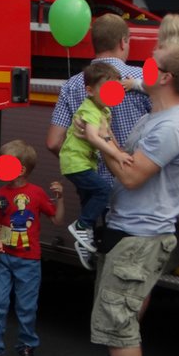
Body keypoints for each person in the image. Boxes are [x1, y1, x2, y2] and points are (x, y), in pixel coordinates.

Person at [79, 42, 179, 356]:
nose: (143, 68)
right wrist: (106, 139)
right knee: (115, 318)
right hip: (129, 230)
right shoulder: (155, 117)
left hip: (141, 237)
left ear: (165, 77)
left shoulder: (171, 128)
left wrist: (97, 141)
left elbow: (130, 176)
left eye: (152, 65)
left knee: (119, 321)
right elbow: (126, 161)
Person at [47, 13, 151, 274]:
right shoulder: (139, 79)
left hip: (91, 185)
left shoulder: (74, 84)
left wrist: (82, 159)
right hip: (133, 189)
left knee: (101, 259)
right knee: (131, 270)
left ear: (93, 43)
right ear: (124, 42)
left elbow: (52, 142)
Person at [0, 139, 65, 356]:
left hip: (28, 261)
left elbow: (57, 219)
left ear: (21, 169)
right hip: (3, 259)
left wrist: (60, 198)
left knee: (26, 307)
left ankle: (26, 348)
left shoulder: (37, 194)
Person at [58, 61, 121, 269]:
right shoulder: (91, 110)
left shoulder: (103, 110)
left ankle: (85, 243)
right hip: (76, 162)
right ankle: (81, 225)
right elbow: (94, 138)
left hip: (83, 163)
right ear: (90, 90)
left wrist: (119, 150)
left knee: (90, 202)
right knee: (104, 190)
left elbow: (108, 134)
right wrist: (116, 155)